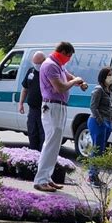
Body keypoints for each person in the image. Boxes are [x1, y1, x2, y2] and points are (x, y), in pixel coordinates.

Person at [34, 42, 85, 192]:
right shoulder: (50, 65)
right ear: (62, 52)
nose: (68, 59)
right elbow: (60, 87)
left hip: (59, 106)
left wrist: (79, 82)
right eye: (68, 56)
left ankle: (47, 178)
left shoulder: (58, 65)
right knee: (50, 143)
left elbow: (69, 77)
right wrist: (75, 81)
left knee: (55, 145)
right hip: (52, 106)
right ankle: (40, 180)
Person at [87, 67, 112, 188]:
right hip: (97, 122)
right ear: (103, 76)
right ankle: (92, 177)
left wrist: (109, 122)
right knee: (97, 150)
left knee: (101, 150)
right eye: (109, 74)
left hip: (107, 122)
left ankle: (95, 175)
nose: (111, 77)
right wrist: (101, 121)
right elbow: (93, 107)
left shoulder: (109, 90)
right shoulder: (98, 90)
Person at [19, 51, 46, 151]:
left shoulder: (47, 73)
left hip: (44, 109)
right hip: (32, 109)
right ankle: (33, 154)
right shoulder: (31, 71)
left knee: (42, 134)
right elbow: (25, 88)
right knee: (32, 132)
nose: (36, 65)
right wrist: (21, 103)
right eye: (34, 63)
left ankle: (41, 155)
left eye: (38, 63)